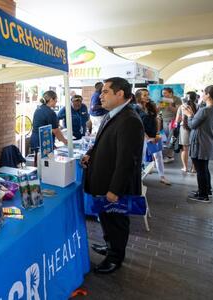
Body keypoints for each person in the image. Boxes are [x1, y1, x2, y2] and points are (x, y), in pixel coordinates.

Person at [81, 77, 144, 274]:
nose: (101, 95)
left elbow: (127, 160)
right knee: (106, 219)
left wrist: (115, 190)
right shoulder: (113, 114)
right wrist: (90, 154)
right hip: (103, 180)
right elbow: (102, 142)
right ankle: (110, 246)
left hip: (114, 186)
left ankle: (116, 257)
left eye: (106, 91)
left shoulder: (129, 120)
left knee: (116, 221)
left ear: (120, 94)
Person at [182, 85, 213, 203]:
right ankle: (206, 190)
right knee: (204, 168)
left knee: (200, 170)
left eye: (204, 92)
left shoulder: (205, 110)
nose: (202, 94)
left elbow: (192, 125)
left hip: (200, 144)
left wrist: (188, 115)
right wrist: (192, 115)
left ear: (208, 94)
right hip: (208, 142)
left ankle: (203, 195)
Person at [136, 89, 171, 185]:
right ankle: (138, 178)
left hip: (154, 135)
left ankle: (162, 176)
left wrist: (157, 134)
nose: (147, 97)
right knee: (140, 157)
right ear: (139, 97)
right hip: (142, 137)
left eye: (147, 95)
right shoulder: (135, 108)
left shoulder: (151, 106)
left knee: (158, 156)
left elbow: (157, 120)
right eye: (144, 95)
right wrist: (147, 138)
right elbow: (138, 126)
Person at [30, 90, 68, 154]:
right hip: (43, 142)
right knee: (44, 162)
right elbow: (56, 131)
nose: (56, 101)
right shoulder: (51, 113)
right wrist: (65, 142)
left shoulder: (39, 108)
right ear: (51, 100)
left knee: (37, 161)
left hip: (35, 140)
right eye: (56, 99)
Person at [176, 92, 198, 173]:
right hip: (195, 128)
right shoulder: (198, 106)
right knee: (194, 149)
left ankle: (185, 168)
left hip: (184, 128)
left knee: (185, 149)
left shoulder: (182, 107)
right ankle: (194, 168)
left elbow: (177, 120)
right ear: (195, 98)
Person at [159, 87, 183, 163]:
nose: (164, 95)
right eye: (163, 93)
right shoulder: (162, 99)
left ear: (171, 93)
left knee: (171, 138)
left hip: (173, 120)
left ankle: (170, 156)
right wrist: (160, 106)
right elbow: (158, 110)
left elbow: (178, 111)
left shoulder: (177, 99)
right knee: (167, 138)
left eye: (165, 93)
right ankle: (170, 153)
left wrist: (169, 105)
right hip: (165, 120)